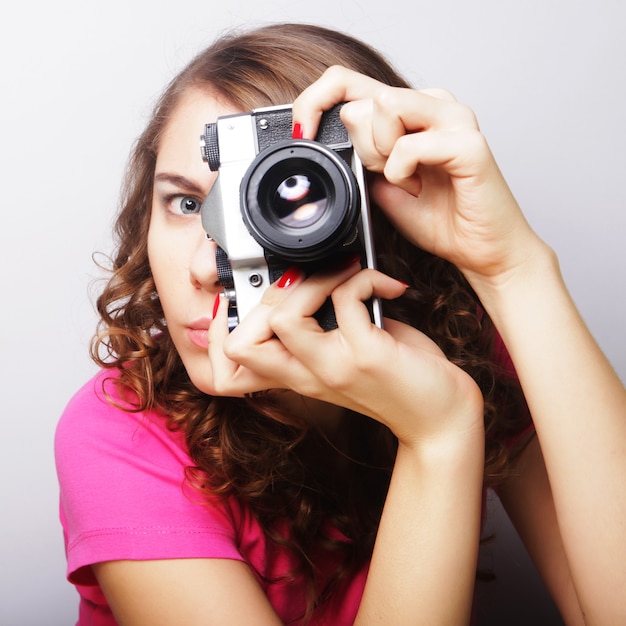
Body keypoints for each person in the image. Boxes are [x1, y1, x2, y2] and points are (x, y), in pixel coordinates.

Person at [54, 22, 626, 626]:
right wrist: (437, 436)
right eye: (186, 204)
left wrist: (514, 269)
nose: (205, 266)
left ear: (365, 217)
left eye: (276, 204)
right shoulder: (118, 434)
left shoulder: (458, 356)